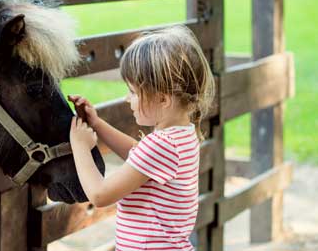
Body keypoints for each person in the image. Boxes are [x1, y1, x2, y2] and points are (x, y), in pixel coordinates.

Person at [69, 25, 215, 251]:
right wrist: (97, 124)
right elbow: (138, 154)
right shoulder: (181, 135)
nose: (128, 99)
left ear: (164, 99)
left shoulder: (162, 145)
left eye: (134, 92)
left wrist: (80, 147)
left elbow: (99, 195)